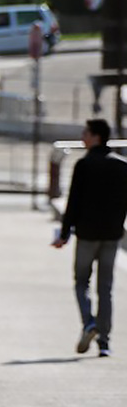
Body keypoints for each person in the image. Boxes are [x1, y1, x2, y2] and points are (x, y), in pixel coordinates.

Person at [52, 119, 127, 357]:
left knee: (81, 281)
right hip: (112, 235)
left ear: (96, 136)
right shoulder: (122, 166)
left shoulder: (84, 165)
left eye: (85, 133)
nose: (82, 137)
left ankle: (89, 322)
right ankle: (104, 342)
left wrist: (64, 234)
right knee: (105, 288)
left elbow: (73, 203)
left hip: (86, 235)